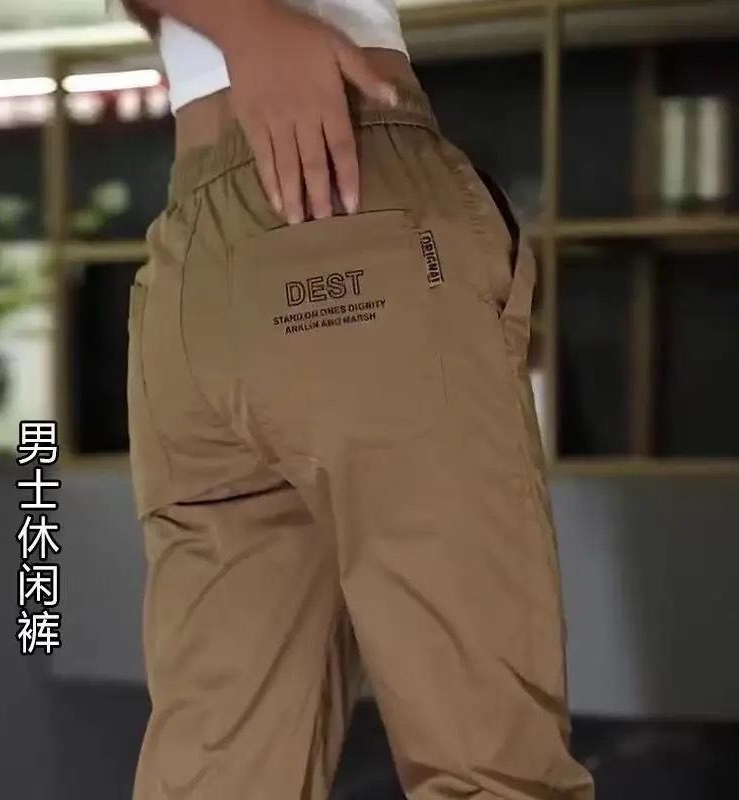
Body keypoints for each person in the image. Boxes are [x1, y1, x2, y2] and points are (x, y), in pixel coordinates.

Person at [121, 1, 596, 798]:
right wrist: (251, 30)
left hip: (191, 260)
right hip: (338, 183)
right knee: (492, 771)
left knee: (221, 777)